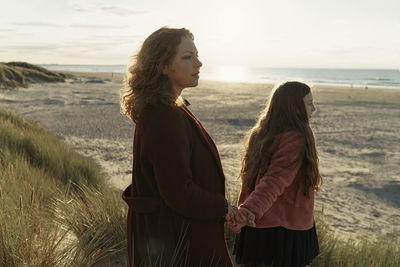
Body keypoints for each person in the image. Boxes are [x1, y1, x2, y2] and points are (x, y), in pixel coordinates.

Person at [120, 27, 235, 267]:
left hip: (177, 234)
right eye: (187, 57)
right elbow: (179, 192)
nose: (199, 63)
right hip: (175, 241)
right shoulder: (163, 116)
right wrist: (224, 208)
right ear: (163, 66)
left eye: (196, 55)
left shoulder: (171, 107)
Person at [230, 81, 322, 267]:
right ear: (294, 108)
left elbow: (255, 181)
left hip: (260, 223)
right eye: (309, 103)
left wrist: (246, 210)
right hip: (283, 230)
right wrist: (249, 210)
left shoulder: (262, 132)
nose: (314, 108)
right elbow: (275, 179)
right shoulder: (295, 136)